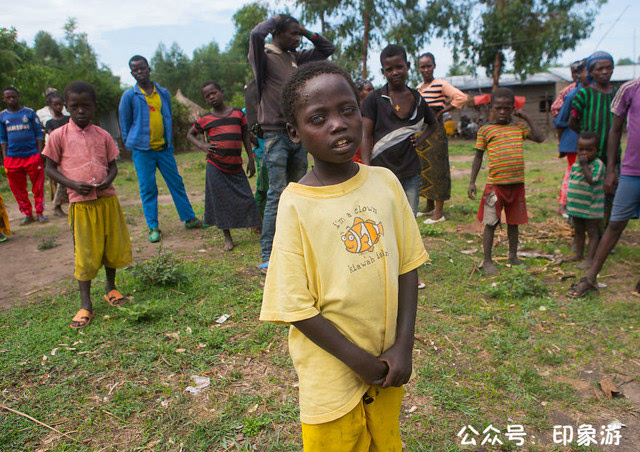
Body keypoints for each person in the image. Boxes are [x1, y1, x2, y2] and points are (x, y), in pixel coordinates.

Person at [260, 61, 428, 451]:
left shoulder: (384, 183)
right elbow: (296, 305)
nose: (338, 124)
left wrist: (404, 345)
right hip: (332, 371)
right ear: (294, 132)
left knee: (383, 441)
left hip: (387, 362)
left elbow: (407, 266)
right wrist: (358, 361)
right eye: (318, 118)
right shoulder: (295, 204)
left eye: (348, 109)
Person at [248, 14, 335, 273]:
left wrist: (305, 30)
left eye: (299, 35)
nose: (297, 39)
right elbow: (255, 34)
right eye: (293, 34)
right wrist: (274, 20)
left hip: (298, 133)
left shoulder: (295, 57)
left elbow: (327, 49)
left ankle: (298, 248)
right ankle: (267, 254)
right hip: (275, 135)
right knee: (277, 193)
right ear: (278, 33)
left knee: (299, 192)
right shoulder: (263, 55)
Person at [43, 81, 132, 328]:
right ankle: (86, 305)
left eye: (86, 106)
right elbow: (49, 168)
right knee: (85, 252)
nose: (81, 110)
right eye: (75, 106)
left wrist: (108, 180)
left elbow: (113, 165)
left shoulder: (103, 135)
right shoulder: (58, 135)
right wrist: (71, 183)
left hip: (107, 200)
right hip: (80, 204)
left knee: (111, 246)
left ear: (94, 106)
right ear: (67, 107)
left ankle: (111, 288)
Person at [568, 76, 640, 298]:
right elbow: (615, 131)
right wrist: (611, 169)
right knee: (615, 224)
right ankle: (590, 279)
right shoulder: (630, 89)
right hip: (632, 169)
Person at [119, 55, 202, 243]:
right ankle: (153, 227)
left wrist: (169, 141)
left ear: (149, 69)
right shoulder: (130, 96)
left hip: (164, 149)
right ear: (132, 73)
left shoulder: (162, 93)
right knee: (148, 188)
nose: (139, 72)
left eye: (142, 68)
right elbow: (125, 123)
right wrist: (130, 142)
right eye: (135, 70)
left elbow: (168, 118)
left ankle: (189, 219)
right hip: (142, 151)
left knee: (176, 183)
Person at [468, 87, 545, 275]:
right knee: (491, 223)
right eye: (498, 108)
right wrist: (472, 182)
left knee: (514, 223)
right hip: (495, 187)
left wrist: (526, 118)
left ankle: (513, 256)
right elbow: (478, 157)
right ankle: (487, 260)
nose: (503, 112)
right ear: (491, 107)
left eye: (507, 108)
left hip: (516, 185)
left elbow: (540, 138)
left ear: (513, 108)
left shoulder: (519, 128)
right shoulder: (485, 130)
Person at [361, 44, 438, 217]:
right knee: (384, 218)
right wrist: (367, 170)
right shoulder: (375, 99)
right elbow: (365, 135)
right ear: (383, 71)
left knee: (408, 219)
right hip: (381, 171)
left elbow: (433, 124)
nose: (395, 72)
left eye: (399, 67)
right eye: (389, 69)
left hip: (411, 171)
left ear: (408, 66)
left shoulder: (417, 98)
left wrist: (420, 140)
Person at [187, 80, 261, 251]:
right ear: (205, 100)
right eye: (207, 96)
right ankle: (227, 237)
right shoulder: (205, 119)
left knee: (248, 198)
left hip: (236, 166)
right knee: (220, 202)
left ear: (221, 92)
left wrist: (251, 159)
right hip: (215, 166)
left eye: (214, 93)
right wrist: (202, 146)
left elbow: (245, 136)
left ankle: (261, 228)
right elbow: (190, 134)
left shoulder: (237, 114)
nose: (211, 97)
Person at [415, 52, 468, 223]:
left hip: (436, 130)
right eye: (422, 66)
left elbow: (461, 97)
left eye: (428, 66)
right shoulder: (418, 87)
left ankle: (439, 212)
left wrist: (443, 112)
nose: (426, 69)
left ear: (434, 66)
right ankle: (429, 206)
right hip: (422, 130)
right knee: (425, 167)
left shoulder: (441, 84)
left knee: (437, 168)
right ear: (418, 69)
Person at [0, 86, 46, 224]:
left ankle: (40, 213)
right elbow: (2, 138)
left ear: (18, 96)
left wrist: (39, 153)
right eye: (8, 97)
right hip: (12, 158)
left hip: (32, 155)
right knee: (18, 189)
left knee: (38, 187)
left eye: (14, 96)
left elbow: (39, 134)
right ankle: (27, 213)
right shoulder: (2, 116)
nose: (11, 99)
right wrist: (5, 158)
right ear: (4, 99)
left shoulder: (30, 113)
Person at [566, 132, 605, 269]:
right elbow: (572, 182)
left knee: (593, 232)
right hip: (576, 207)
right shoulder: (577, 163)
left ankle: (590, 259)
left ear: (597, 150)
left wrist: (584, 166)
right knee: (579, 231)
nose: (584, 153)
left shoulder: (598, 165)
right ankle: (579, 254)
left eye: (589, 150)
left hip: (591, 207)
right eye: (580, 149)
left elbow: (592, 180)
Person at [553, 59, 587, 217]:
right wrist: (561, 145)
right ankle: (565, 206)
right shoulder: (572, 94)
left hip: (586, 141)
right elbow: (560, 120)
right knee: (574, 172)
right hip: (573, 142)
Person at [43, 92, 71, 217]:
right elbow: (52, 139)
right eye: (55, 105)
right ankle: (57, 205)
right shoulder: (50, 123)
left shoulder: (69, 119)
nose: (58, 107)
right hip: (58, 155)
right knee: (62, 183)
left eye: (60, 105)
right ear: (50, 106)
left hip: (71, 153)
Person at [244, 78, 268, 216]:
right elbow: (245, 128)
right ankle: (257, 216)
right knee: (262, 187)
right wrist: (253, 138)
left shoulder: (270, 108)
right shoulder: (248, 112)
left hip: (274, 153)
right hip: (261, 155)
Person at [352, 79, 375, 163]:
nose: (372, 92)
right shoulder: (353, 111)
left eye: (373, 89)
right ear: (359, 92)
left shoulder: (374, 108)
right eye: (368, 90)